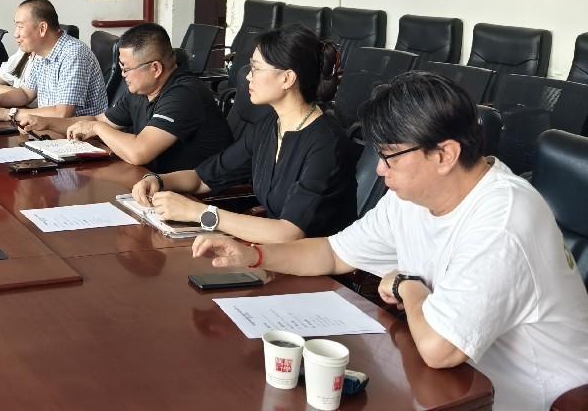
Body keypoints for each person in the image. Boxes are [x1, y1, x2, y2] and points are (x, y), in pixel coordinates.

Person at [193, 72, 588, 410]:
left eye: (391, 156)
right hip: (448, 384)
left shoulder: (502, 220)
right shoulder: (412, 198)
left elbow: (440, 349)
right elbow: (332, 252)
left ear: (445, 155)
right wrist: (253, 255)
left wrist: (407, 286)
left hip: (529, 398)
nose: (380, 170)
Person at [132, 24, 356, 242]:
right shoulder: (269, 125)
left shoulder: (326, 142)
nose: (248, 76)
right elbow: (202, 179)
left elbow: (288, 233)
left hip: (315, 261)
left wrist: (199, 212)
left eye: (256, 68)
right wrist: (158, 180)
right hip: (272, 251)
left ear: (287, 78)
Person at [18, 23, 231, 173]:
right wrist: (46, 123)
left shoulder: (184, 95)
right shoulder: (141, 91)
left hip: (194, 196)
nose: (123, 75)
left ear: (155, 68)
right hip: (151, 181)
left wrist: (97, 128)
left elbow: (139, 152)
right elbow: (99, 120)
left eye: (127, 69)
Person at [0, 0, 106, 121]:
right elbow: (26, 94)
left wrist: (9, 114)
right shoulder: (39, 51)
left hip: (79, 136)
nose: (16, 34)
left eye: (20, 26)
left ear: (42, 28)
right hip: (49, 128)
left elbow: (62, 114)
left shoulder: (73, 54)